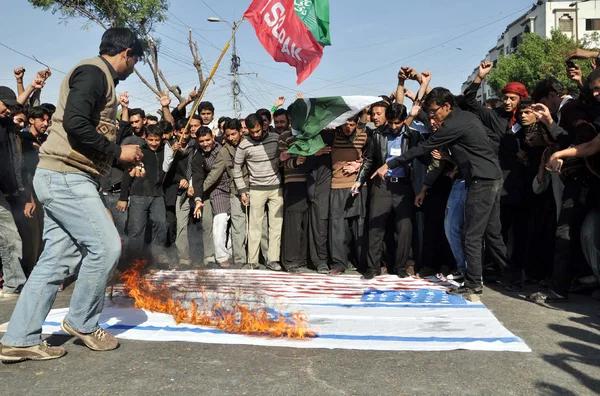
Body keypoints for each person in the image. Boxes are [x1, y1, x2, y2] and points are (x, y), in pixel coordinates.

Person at [0, 27, 144, 362]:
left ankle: (19, 338)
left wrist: (119, 160)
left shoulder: (98, 78)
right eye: (135, 61)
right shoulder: (94, 73)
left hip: (66, 176)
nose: (134, 68)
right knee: (106, 246)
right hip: (66, 177)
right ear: (126, 54)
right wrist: (118, 152)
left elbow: (87, 135)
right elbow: (77, 125)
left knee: (57, 261)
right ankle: (81, 320)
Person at [380, 87, 511, 295]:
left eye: (433, 111)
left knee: (472, 234)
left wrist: (390, 163)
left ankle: (473, 283)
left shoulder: (452, 125)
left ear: (447, 106)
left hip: (481, 181)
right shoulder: (466, 117)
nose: (432, 116)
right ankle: (509, 275)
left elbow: (422, 148)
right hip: (492, 176)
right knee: (492, 232)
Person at [352, 102, 423, 280]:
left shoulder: (413, 136)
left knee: (404, 228)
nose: (393, 127)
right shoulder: (377, 135)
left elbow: (424, 157)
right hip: (381, 186)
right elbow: (368, 160)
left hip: (403, 186)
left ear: (404, 120)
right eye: (390, 123)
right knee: (375, 228)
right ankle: (373, 268)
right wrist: (359, 180)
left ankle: (400, 267)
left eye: (397, 123)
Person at [233, 114, 283, 271]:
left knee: (276, 226)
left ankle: (273, 260)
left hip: (276, 188)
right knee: (255, 227)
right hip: (255, 189)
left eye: (258, 131)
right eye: (252, 132)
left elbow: (281, 160)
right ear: (246, 130)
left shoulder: (276, 139)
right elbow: (236, 170)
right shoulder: (243, 145)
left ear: (264, 126)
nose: (256, 135)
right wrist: (242, 190)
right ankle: (253, 261)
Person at [118, 124, 169, 266]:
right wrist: (123, 197)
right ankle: (134, 259)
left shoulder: (165, 151)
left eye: (156, 140)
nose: (153, 143)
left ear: (161, 139)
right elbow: (127, 176)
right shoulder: (139, 152)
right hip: (138, 195)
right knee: (136, 230)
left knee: (161, 223)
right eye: (151, 139)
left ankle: (158, 253)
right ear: (145, 138)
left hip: (157, 195)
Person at [201, 119, 248, 268]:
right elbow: (214, 173)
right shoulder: (224, 150)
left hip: (253, 188)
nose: (231, 138)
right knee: (225, 223)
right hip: (230, 190)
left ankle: (238, 254)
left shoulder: (250, 145)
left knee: (246, 226)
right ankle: (225, 257)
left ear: (241, 132)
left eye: (233, 134)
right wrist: (198, 192)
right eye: (228, 135)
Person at [328, 114, 368, 275]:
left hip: (357, 186)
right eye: (345, 124)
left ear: (356, 124)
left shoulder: (364, 136)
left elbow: (372, 157)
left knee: (360, 225)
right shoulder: (332, 136)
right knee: (338, 226)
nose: (348, 127)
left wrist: (359, 165)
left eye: (351, 124)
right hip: (337, 185)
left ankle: (363, 262)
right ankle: (339, 263)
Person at [0, 86, 26, 299]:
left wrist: (33, 87)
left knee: (10, 236)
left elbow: (24, 105)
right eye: (5, 105)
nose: (9, 110)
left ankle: (14, 282)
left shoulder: (6, 124)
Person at [196, 127, 232, 268]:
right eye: (202, 141)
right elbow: (202, 175)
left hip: (228, 188)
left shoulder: (222, 150)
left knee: (232, 224)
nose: (205, 144)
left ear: (213, 137)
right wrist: (198, 194)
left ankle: (229, 254)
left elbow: (215, 175)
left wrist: (199, 191)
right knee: (218, 223)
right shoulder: (198, 153)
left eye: (207, 140)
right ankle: (220, 256)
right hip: (212, 190)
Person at [163, 122, 197, 267]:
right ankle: (169, 256)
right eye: (180, 133)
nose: (183, 137)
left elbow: (196, 169)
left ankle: (183, 257)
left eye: (186, 133)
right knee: (170, 225)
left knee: (183, 225)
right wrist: (171, 151)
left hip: (187, 190)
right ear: (175, 132)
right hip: (170, 190)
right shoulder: (169, 145)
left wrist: (189, 183)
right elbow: (166, 168)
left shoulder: (195, 147)